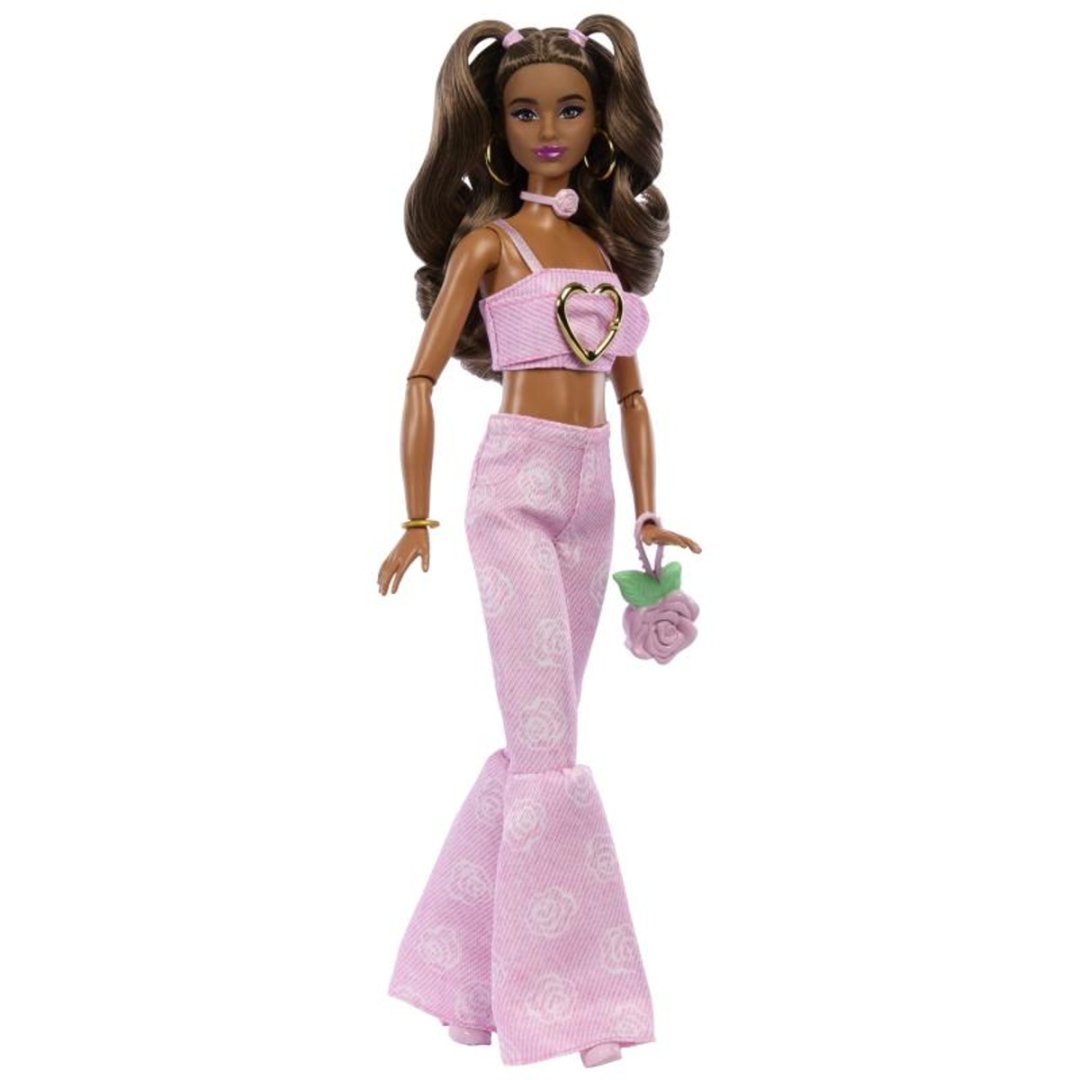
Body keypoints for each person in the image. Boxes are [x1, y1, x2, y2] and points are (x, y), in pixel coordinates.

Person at [378, 15, 701, 1068]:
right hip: (514, 491)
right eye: (525, 112)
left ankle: (461, 983)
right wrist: (415, 518)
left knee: (539, 740)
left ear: (601, 122)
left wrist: (648, 509)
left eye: (570, 109)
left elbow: (634, 397)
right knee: (550, 748)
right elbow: (420, 380)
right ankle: (574, 1006)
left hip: (593, 494)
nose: (548, 129)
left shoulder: (603, 252)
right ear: (497, 127)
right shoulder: (490, 244)